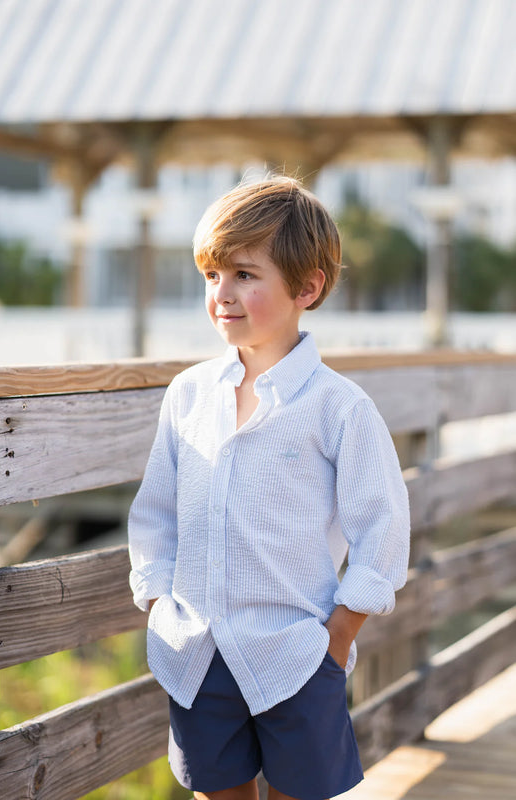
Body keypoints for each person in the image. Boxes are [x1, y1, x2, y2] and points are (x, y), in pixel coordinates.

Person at [128, 176, 410, 800]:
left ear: (306, 288)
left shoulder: (340, 408)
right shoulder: (188, 395)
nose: (222, 294)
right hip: (197, 654)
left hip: (297, 655)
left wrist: (336, 640)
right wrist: (158, 601)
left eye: (245, 275)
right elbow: (155, 513)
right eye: (212, 275)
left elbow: (382, 531)